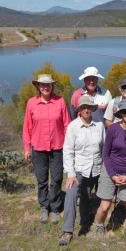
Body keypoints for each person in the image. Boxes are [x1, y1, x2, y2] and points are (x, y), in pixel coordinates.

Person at [94, 99, 126, 245]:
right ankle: (98, 227)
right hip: (110, 170)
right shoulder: (113, 129)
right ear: (121, 113)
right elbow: (105, 154)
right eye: (125, 111)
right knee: (104, 206)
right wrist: (113, 175)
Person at [22, 74, 70, 224]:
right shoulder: (31, 103)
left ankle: (55, 208)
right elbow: (27, 127)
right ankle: (44, 206)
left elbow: (67, 125)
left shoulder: (60, 101)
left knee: (56, 179)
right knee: (42, 180)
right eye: (42, 85)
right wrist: (27, 148)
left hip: (57, 147)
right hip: (38, 148)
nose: (45, 87)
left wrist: (69, 147)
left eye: (48, 84)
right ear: (38, 86)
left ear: (52, 86)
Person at [58, 96, 105, 246]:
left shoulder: (99, 126)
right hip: (78, 168)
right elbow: (68, 151)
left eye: (89, 107)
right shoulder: (73, 127)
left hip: (96, 167)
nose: (86, 109)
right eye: (83, 107)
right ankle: (67, 231)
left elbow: (104, 149)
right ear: (79, 109)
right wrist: (70, 174)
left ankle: (85, 221)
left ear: (92, 109)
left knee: (86, 196)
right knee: (71, 193)